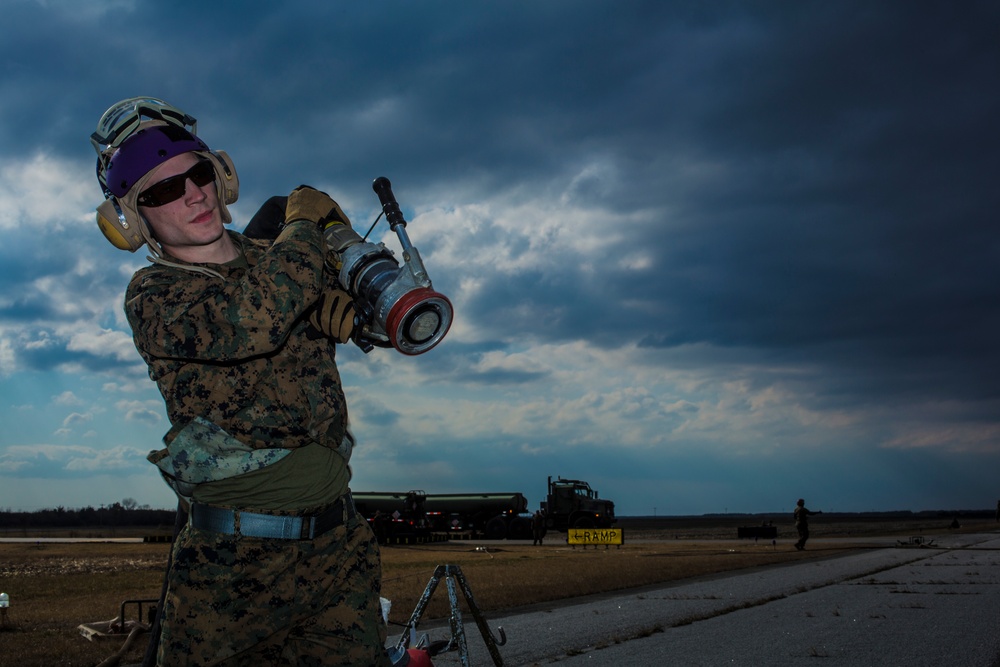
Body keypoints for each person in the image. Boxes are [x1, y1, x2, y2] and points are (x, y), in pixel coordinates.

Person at [90, 98, 393, 666]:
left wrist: (358, 307)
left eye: (198, 174)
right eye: (160, 192)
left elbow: (383, 311)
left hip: (338, 549)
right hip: (229, 573)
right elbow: (256, 315)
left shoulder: (280, 264)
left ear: (220, 175)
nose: (192, 195)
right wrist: (305, 224)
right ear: (133, 220)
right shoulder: (153, 293)